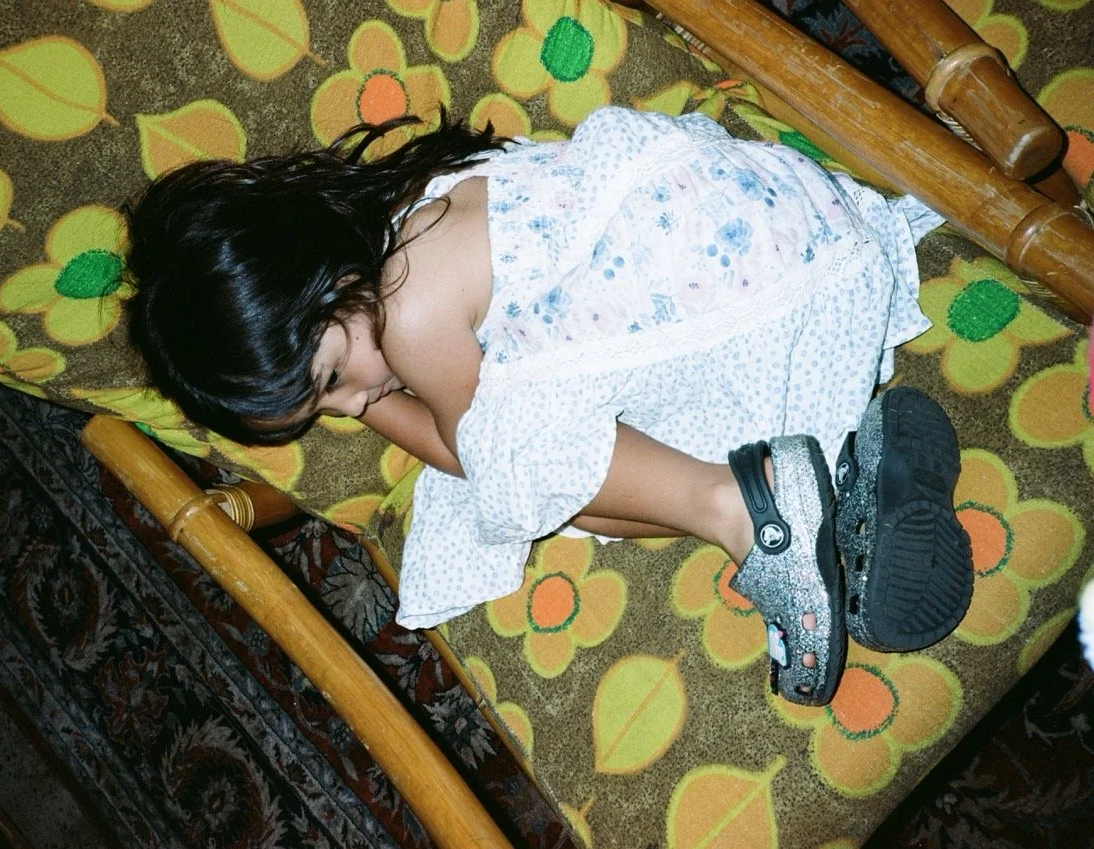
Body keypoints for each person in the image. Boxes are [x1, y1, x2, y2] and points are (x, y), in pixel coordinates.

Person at [124, 106, 972, 705]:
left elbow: (478, 455)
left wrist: (382, 410)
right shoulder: (425, 195)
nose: (354, 404)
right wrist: (357, 386)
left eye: (334, 377)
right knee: (563, 452)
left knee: (521, 483)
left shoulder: (414, 310)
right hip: (804, 240)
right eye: (326, 413)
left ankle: (746, 514)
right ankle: (856, 490)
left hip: (765, 303)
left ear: (319, 277)